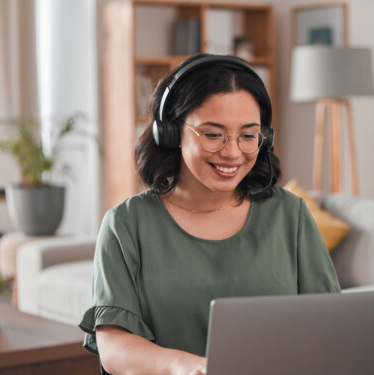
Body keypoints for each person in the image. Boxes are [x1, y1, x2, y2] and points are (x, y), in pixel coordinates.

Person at [79, 54, 340, 375]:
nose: (232, 152)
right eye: (213, 134)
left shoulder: (290, 214)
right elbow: (114, 346)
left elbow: (330, 329)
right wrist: (189, 367)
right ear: (171, 133)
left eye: (248, 135)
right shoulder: (126, 224)